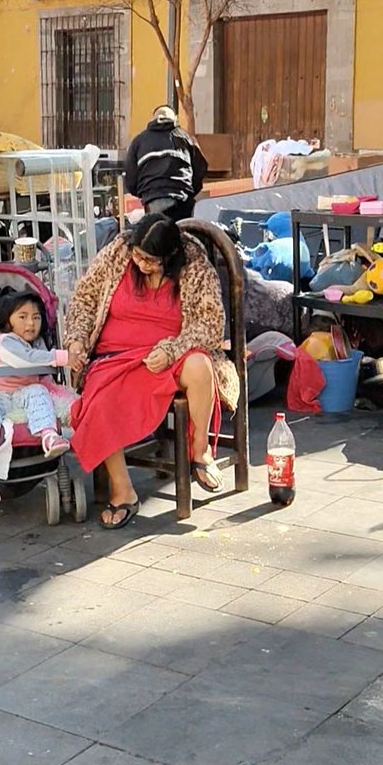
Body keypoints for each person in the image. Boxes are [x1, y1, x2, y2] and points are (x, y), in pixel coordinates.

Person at [64, 214, 240, 529]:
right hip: (115, 355)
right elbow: (84, 299)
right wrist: (76, 340)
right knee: (99, 402)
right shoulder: (120, 251)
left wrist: (172, 348)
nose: (141, 264)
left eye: (150, 260)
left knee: (200, 366)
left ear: (170, 257)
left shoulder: (194, 264)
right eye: (138, 256)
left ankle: (200, 451)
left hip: (173, 350)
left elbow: (210, 323)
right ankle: (123, 490)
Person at [0, 291, 71, 504]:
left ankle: (48, 434)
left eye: (36, 317)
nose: (31, 323)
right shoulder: (6, 341)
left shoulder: (39, 344)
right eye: (22, 317)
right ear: (7, 320)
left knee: (38, 392)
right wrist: (62, 357)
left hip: (19, 394)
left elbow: (40, 370)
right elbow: (25, 360)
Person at [124, 106, 208, 222]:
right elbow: (201, 169)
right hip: (183, 201)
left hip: (153, 200)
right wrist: (188, 191)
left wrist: (146, 193)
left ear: (154, 119)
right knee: (186, 235)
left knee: (154, 234)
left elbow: (131, 181)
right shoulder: (186, 138)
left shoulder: (138, 141)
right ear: (175, 119)